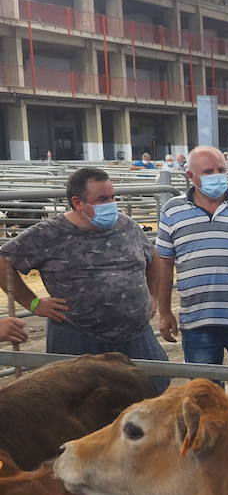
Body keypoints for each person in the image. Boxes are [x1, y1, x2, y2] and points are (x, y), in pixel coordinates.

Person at [1, 166, 170, 390]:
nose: (111, 204)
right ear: (78, 202)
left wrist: (153, 295)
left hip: (136, 336)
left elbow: (153, 258)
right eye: (102, 199)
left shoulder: (127, 225)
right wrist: (33, 303)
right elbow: (3, 261)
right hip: (78, 338)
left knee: (151, 395)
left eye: (112, 197)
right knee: (83, 407)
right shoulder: (49, 234)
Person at [153, 145, 228, 398]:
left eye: (221, 169)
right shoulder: (173, 211)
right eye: (208, 171)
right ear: (191, 176)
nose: (216, 175)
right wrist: (164, 312)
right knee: (204, 399)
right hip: (197, 321)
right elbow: (164, 263)